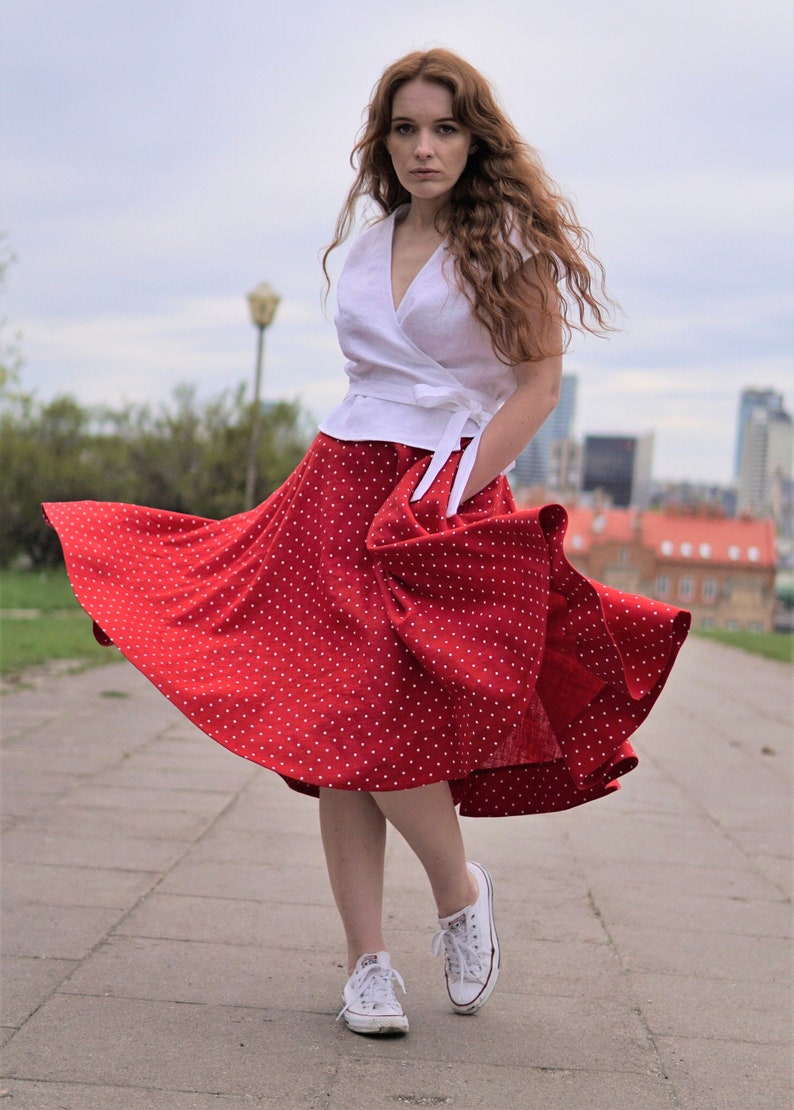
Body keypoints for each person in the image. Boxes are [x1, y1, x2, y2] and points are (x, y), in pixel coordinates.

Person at [43, 49, 690, 1038]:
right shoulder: (365, 243)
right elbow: (367, 381)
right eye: (404, 129)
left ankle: (457, 892)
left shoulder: (505, 243)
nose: (423, 147)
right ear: (382, 141)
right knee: (335, 724)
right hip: (339, 488)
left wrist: (442, 495)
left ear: (474, 138)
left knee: (373, 722)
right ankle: (366, 967)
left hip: (439, 495)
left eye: (442, 128)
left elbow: (537, 388)